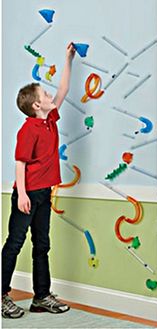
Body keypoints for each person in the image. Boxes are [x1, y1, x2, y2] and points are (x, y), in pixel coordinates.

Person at [2, 43, 76, 318]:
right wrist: (22, 195)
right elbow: (20, 163)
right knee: (15, 243)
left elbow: (64, 90)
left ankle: (41, 296)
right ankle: (1, 295)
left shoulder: (49, 121)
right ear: (36, 104)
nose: (49, 94)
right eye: (44, 93)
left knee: (42, 244)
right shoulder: (28, 129)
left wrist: (67, 58)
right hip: (28, 194)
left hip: (44, 192)